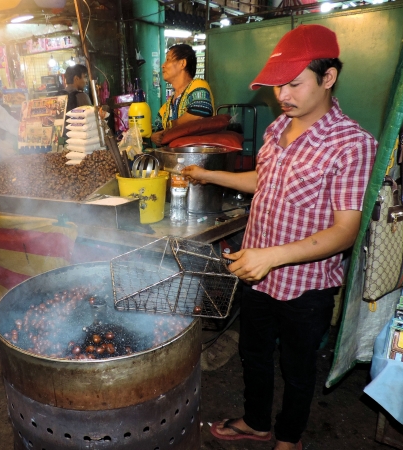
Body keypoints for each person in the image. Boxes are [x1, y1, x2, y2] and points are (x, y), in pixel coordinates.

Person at [184, 25, 376, 450]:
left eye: (294, 83)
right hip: (258, 274)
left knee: (297, 366)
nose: (283, 95)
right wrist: (208, 174)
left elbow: (345, 232)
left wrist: (273, 256)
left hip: (306, 287)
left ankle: (289, 437)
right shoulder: (276, 129)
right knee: (252, 355)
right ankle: (257, 422)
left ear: (328, 78)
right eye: (277, 86)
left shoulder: (352, 144)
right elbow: (264, 180)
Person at [151, 44, 215, 146]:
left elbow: (199, 113)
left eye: (168, 59)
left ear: (182, 63)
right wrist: (154, 136)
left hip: (198, 158)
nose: (163, 65)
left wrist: (171, 127)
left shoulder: (198, 85)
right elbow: (157, 130)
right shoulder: (165, 108)